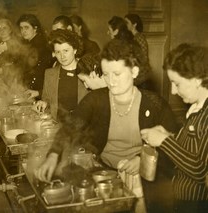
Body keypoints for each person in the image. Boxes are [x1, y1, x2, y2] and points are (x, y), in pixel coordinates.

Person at [35, 39, 179, 212]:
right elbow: (70, 127)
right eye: (106, 74)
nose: (111, 81)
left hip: (144, 179)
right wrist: (53, 155)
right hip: (105, 174)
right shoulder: (96, 99)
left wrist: (141, 160)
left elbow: (174, 145)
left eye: (117, 74)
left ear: (134, 71)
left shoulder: (154, 104)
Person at [141, 43, 208, 213]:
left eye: (176, 84)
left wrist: (165, 142)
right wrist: (170, 136)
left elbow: (200, 169)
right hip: (183, 196)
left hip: (197, 202)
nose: (173, 91)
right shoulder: (196, 107)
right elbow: (194, 147)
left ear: (197, 80)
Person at [33, 29, 89, 122]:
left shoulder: (87, 73)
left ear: (75, 50)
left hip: (82, 128)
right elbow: (47, 100)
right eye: (58, 52)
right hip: (58, 127)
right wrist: (43, 104)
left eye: (66, 50)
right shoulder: (50, 74)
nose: (62, 56)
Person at [108, 15, 151, 90]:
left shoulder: (139, 38)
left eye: (127, 22)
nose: (125, 25)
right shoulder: (131, 37)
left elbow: (142, 58)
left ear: (134, 25)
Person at [17, 14, 53, 100]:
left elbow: (37, 70)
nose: (23, 31)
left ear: (35, 28)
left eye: (26, 27)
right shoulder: (29, 43)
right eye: (21, 28)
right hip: (34, 88)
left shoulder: (39, 45)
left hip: (37, 90)